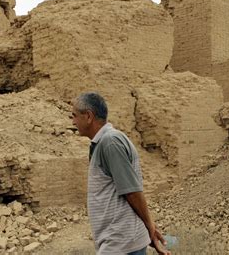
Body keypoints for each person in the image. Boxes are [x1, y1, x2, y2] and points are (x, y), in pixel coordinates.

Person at [71, 92, 170, 255]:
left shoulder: (110, 142)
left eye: (74, 116)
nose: (73, 122)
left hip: (120, 241)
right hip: (119, 240)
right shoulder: (105, 141)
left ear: (88, 116)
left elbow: (131, 190)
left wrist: (150, 228)